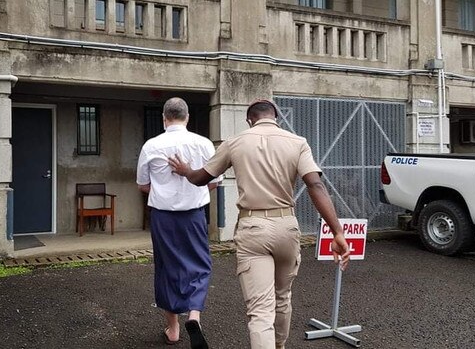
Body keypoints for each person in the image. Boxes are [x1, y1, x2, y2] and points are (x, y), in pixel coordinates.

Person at [168, 99, 350, 349]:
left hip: (253, 228)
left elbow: (201, 178)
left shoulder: (235, 142)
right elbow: (315, 185)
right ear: (276, 118)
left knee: (260, 311)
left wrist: (186, 170)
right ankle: (280, 346)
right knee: (282, 298)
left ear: (249, 120)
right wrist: (337, 232)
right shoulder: (297, 142)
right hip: (287, 225)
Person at [136, 97, 221, 349]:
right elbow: (215, 181)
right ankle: (194, 316)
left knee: (166, 268)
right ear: (187, 117)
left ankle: (173, 330)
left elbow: (142, 185)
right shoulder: (203, 143)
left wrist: (163, 190)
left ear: (164, 118)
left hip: (163, 217)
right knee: (199, 264)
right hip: (194, 214)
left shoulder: (152, 145)